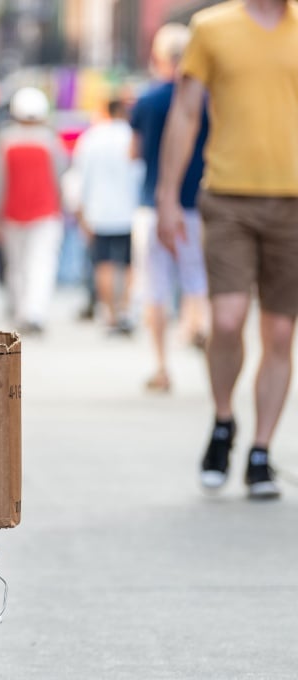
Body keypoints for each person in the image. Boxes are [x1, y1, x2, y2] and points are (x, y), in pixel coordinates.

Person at [156, 0, 298, 500]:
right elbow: (186, 112)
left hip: (294, 203)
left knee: (280, 331)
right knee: (229, 320)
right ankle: (223, 421)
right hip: (229, 197)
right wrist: (167, 195)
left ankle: (260, 453)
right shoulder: (212, 27)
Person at [130, 22, 211, 394]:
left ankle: (161, 367)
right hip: (198, 202)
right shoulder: (209, 100)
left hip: (153, 202)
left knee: (155, 288)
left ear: (159, 56)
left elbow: (133, 152)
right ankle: (200, 331)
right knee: (198, 281)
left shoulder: (146, 101)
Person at [0, 86, 68, 336]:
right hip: (46, 212)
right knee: (41, 263)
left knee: (17, 264)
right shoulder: (51, 141)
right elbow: (61, 176)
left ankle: (23, 311)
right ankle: (35, 312)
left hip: (12, 214)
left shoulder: (4, 141)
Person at [71, 97, 141, 335]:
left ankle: (110, 315)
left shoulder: (91, 138)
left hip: (99, 211)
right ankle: (126, 311)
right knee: (131, 264)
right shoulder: (132, 136)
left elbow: (81, 176)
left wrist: (81, 209)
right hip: (131, 210)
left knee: (103, 264)